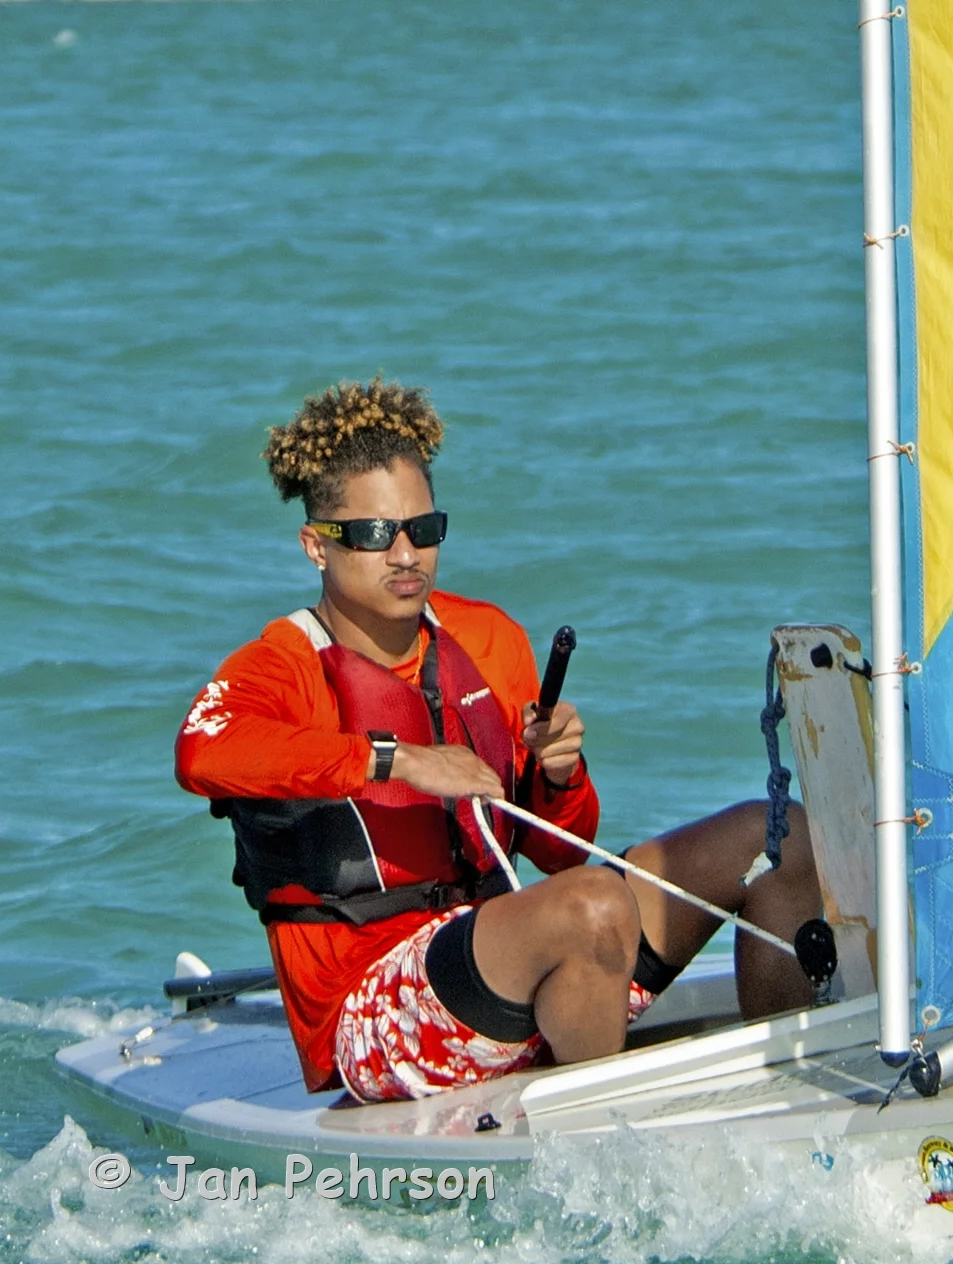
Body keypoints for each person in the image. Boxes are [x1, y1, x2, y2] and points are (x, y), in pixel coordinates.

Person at [175, 377, 824, 1102]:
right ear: (316, 546)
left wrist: (559, 774)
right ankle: (594, 1146)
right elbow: (203, 750)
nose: (405, 555)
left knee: (780, 836)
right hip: (369, 1013)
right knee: (588, 909)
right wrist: (395, 761)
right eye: (374, 534)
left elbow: (557, 849)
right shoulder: (282, 664)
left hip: (504, 952)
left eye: (424, 529)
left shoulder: (486, 638)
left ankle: (798, 1093)